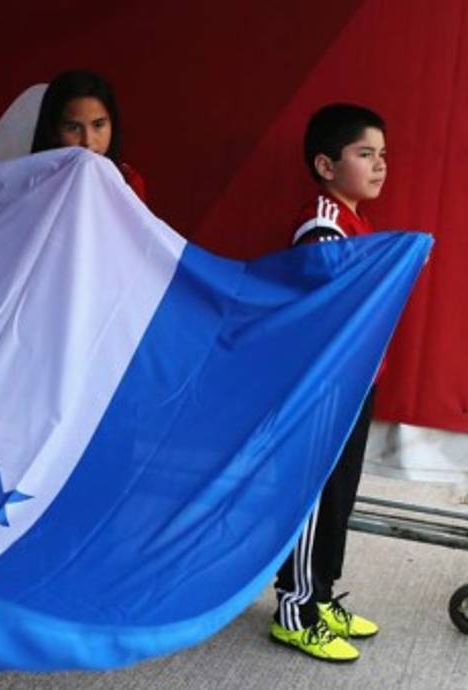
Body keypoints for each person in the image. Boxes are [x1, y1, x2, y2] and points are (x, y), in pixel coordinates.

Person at [269, 103, 388, 663]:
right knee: (313, 498)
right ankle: (296, 609)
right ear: (325, 164)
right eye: (365, 154)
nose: (379, 165)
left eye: (382, 155)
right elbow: (321, 314)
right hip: (325, 388)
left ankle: (322, 596)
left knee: (339, 497)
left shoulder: (356, 220)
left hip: (354, 383)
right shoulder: (324, 222)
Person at [30, 70, 146, 202]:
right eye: (73, 128)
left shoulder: (128, 181)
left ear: (112, 124)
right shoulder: (33, 181)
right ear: (54, 131)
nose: (87, 141)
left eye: (98, 125)